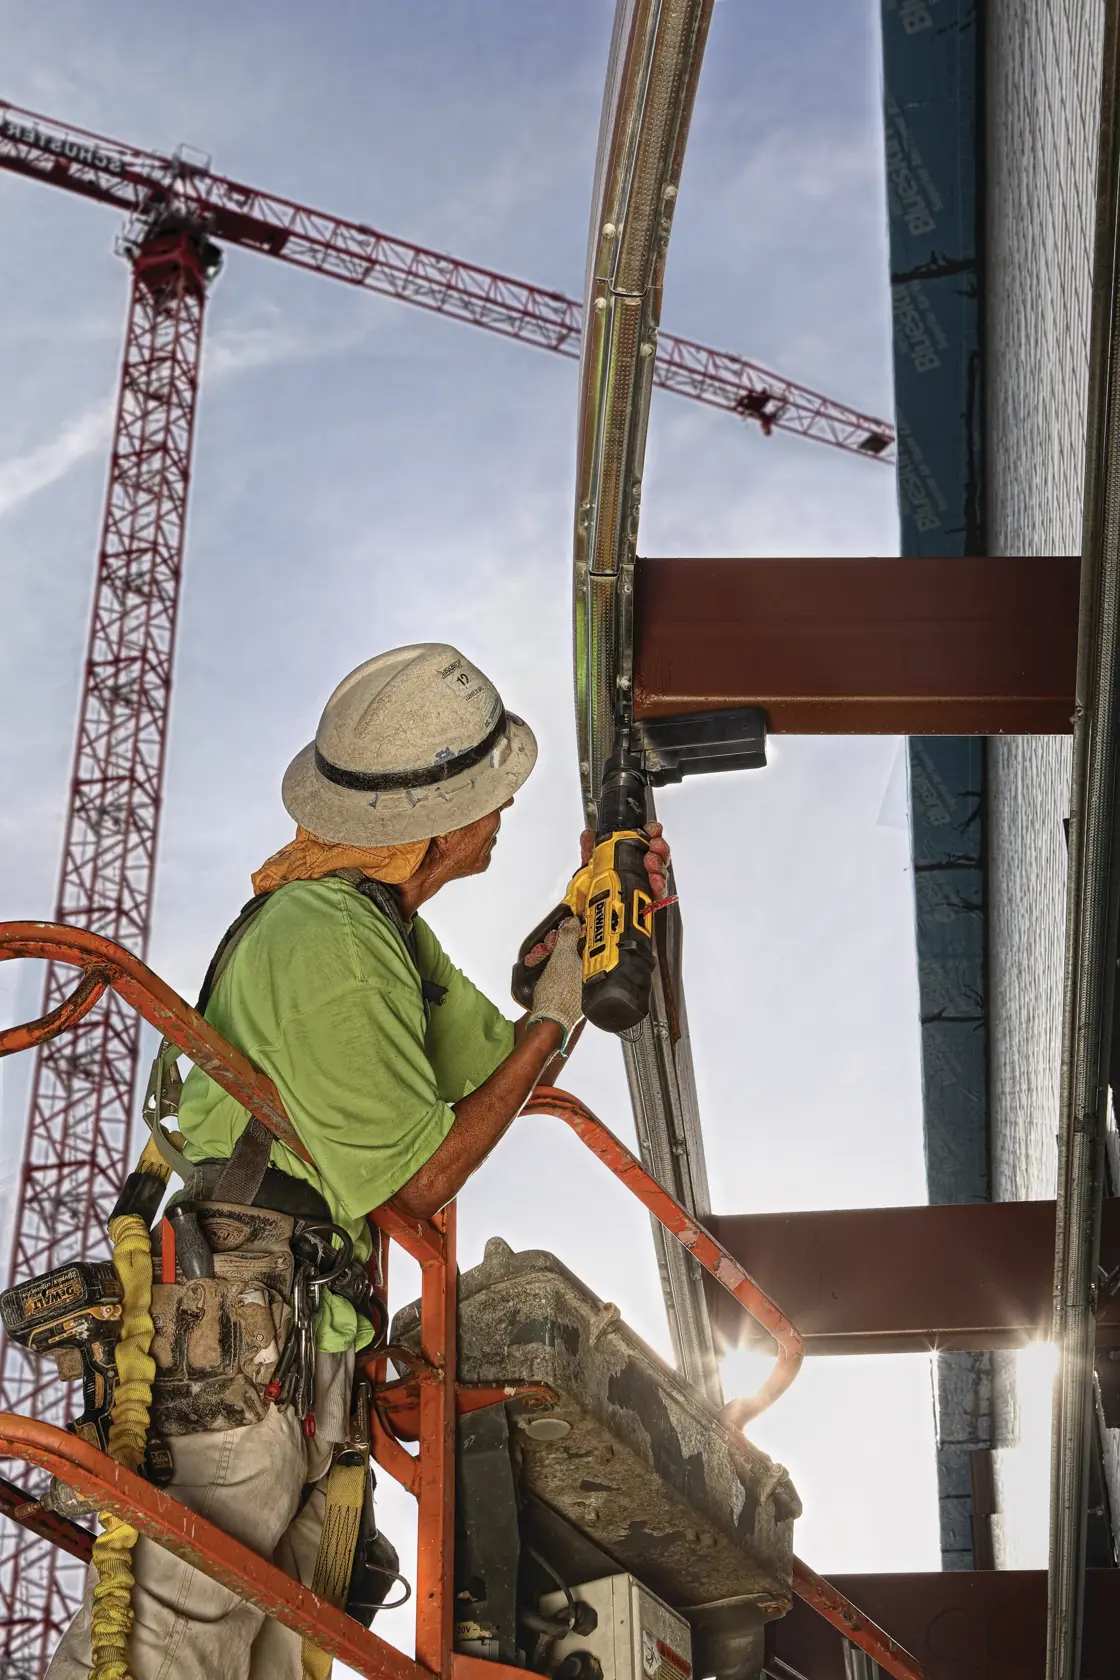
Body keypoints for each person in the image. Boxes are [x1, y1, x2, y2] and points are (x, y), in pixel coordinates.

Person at [49, 642, 669, 1680]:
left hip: (293, 1331)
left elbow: (490, 1069)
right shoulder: (322, 940)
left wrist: (573, 944)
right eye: (490, 793)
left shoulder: (382, 933)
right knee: (182, 1632)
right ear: (431, 824)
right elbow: (423, 1174)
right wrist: (556, 1015)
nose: (503, 810)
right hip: (236, 1319)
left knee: (278, 1645)